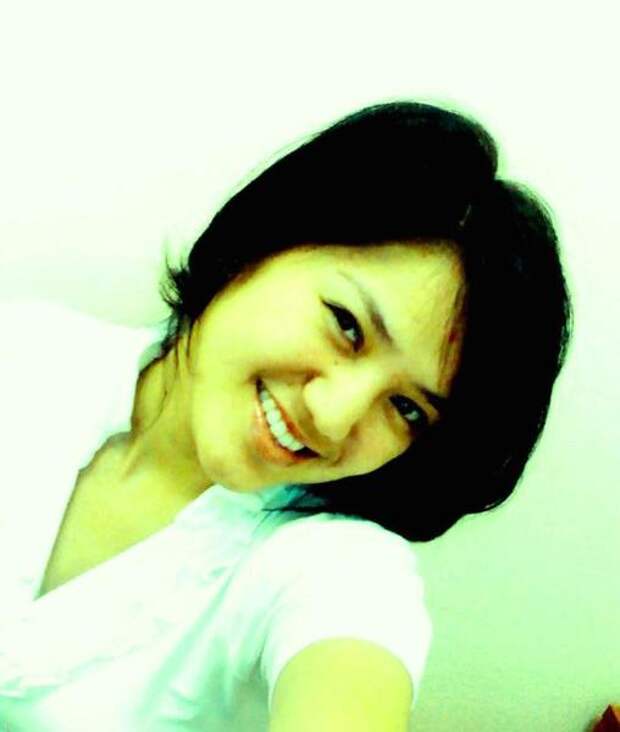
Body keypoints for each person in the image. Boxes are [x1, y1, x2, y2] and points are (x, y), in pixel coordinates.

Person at [0, 101, 573, 730]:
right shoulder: (26, 354)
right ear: (264, 242)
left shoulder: (336, 565)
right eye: (347, 325)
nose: (333, 418)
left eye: (407, 408)